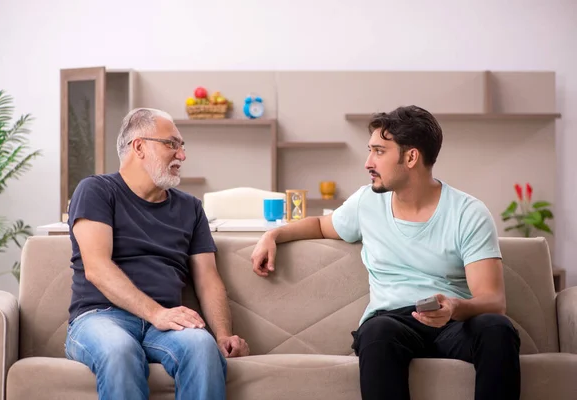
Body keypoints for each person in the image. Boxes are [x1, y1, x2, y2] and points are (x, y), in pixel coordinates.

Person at [250, 105, 520, 400]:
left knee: (497, 327)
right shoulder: (367, 202)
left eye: (379, 151)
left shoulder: (468, 213)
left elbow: (493, 300)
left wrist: (454, 307)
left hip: (454, 322)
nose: (368, 162)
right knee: (376, 332)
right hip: (392, 323)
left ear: (411, 157)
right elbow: (320, 224)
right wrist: (273, 234)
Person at [65, 108, 249, 400]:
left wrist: (223, 334)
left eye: (182, 146)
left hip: (165, 324)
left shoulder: (191, 208)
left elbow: (208, 279)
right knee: (119, 350)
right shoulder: (96, 191)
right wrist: (156, 313)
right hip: (100, 317)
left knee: (202, 347)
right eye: (172, 144)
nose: (182, 155)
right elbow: (97, 268)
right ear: (139, 146)